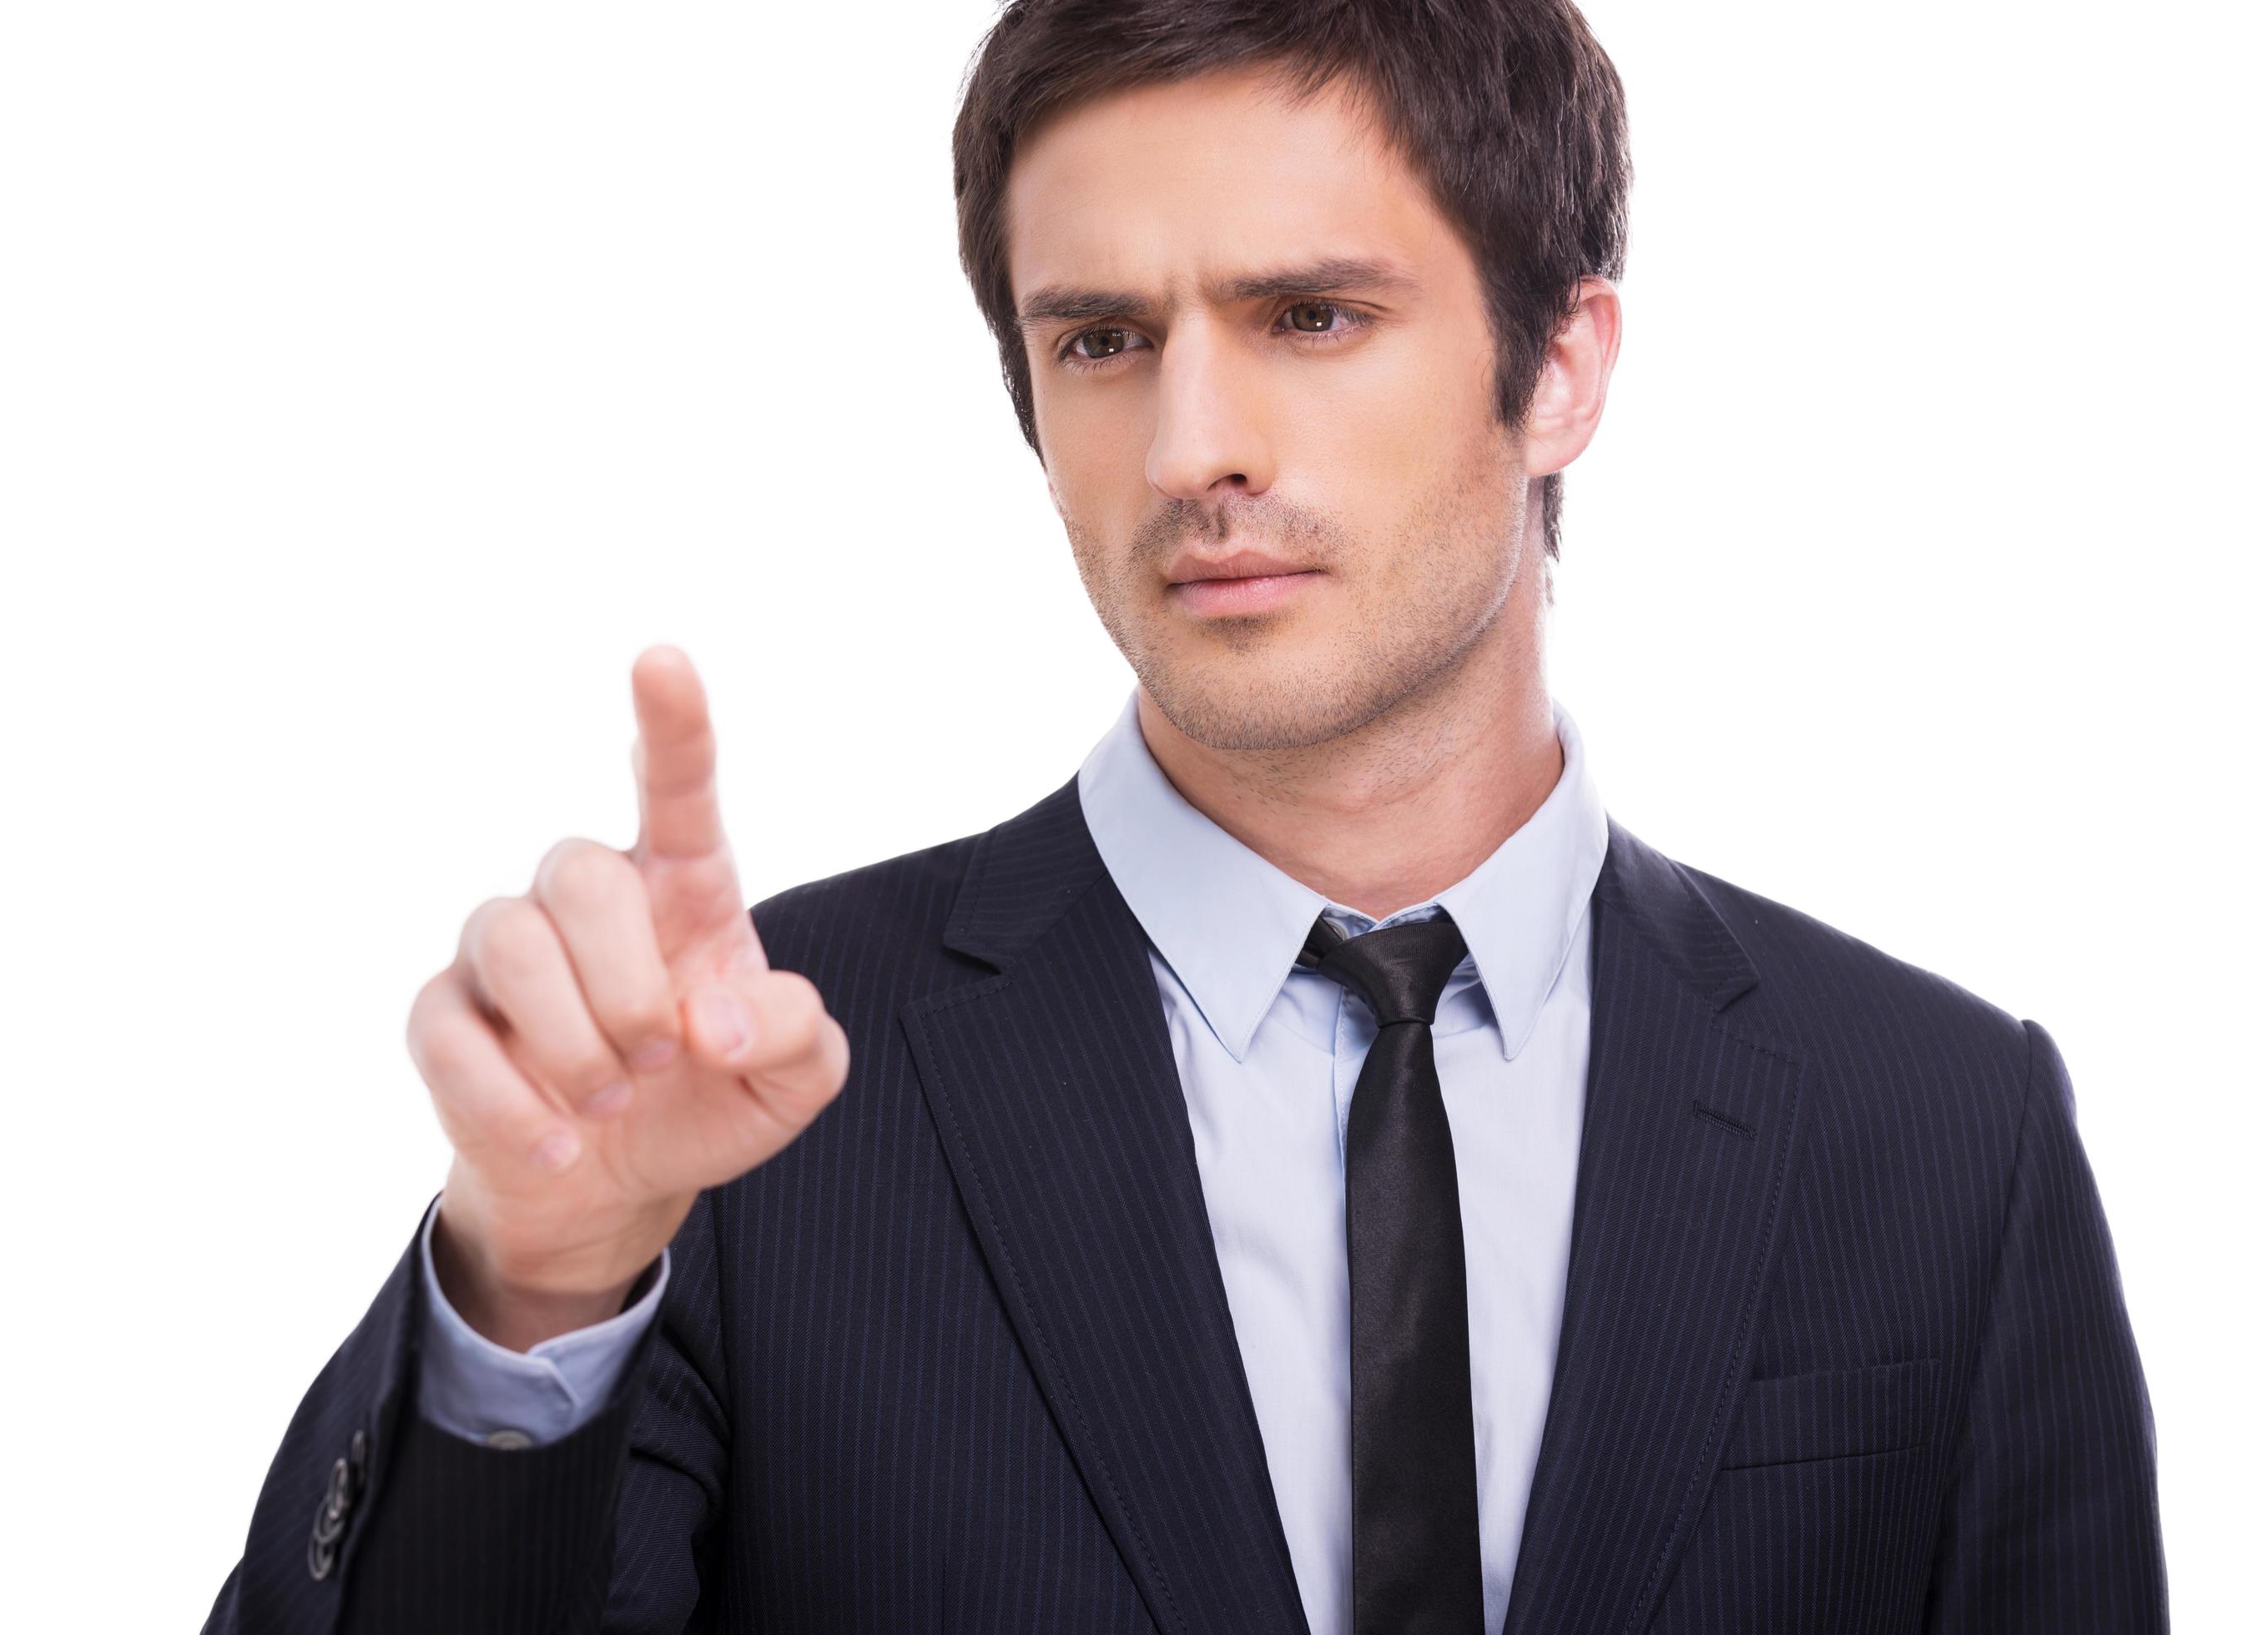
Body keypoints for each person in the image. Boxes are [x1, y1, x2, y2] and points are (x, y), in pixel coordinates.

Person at [204, 3, 2166, 1631]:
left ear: (1556, 365)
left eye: (1308, 316)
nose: (1189, 445)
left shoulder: (1937, 1131)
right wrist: (535, 1285)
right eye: (1101, 340)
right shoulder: (743, 1091)